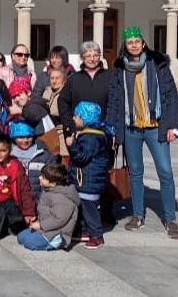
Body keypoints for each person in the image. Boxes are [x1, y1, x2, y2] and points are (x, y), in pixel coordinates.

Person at [108, 26, 178, 239]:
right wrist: (113, 128)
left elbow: (171, 96)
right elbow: (114, 100)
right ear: (126, 45)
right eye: (129, 42)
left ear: (143, 43)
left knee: (165, 172)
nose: (133, 45)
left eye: (137, 41)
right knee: (136, 173)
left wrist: (172, 126)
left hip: (155, 126)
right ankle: (138, 214)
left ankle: (170, 218)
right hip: (131, 128)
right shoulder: (120, 68)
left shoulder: (157, 64)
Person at [66, 101, 113, 249]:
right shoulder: (98, 134)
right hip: (89, 179)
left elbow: (81, 156)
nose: (74, 119)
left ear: (84, 118)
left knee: (89, 208)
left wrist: (71, 144)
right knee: (85, 207)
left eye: (76, 116)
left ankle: (96, 235)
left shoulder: (90, 137)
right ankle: (85, 231)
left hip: (88, 180)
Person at [16, 162, 79, 251]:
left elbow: (59, 219)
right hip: (46, 230)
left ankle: (53, 244)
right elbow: (45, 211)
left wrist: (41, 225)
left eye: (43, 177)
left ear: (53, 183)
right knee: (21, 237)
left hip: (56, 233)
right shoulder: (49, 191)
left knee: (28, 241)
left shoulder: (61, 197)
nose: (39, 178)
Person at [8, 120, 56, 201]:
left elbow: (50, 180)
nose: (25, 140)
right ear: (14, 137)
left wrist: (42, 201)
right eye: (21, 137)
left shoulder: (42, 153)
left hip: (36, 200)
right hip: (13, 200)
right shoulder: (8, 153)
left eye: (29, 137)